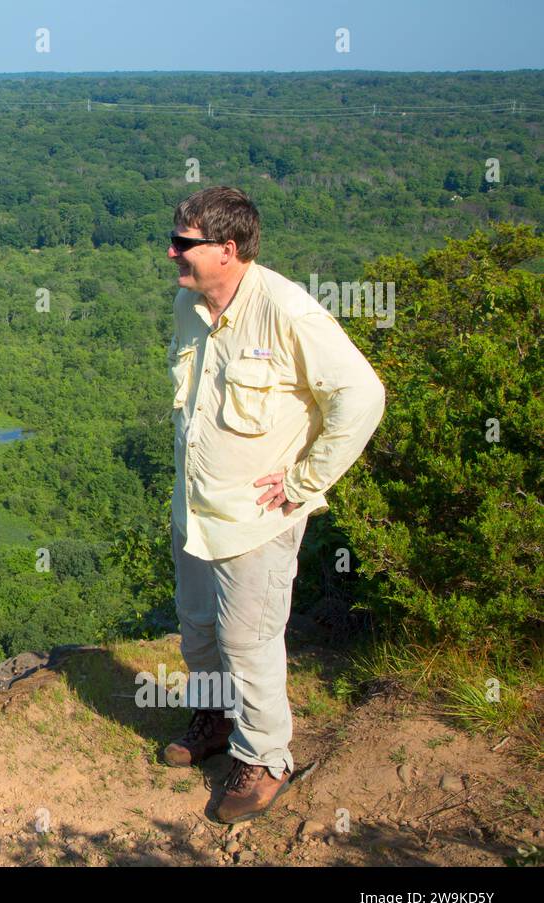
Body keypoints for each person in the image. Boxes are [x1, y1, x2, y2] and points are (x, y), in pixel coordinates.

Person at [163, 186, 386, 823]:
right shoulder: (189, 305)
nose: (171, 252)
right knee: (198, 625)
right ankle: (216, 716)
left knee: (248, 639)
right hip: (198, 509)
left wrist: (304, 481)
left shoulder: (289, 311)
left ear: (227, 250)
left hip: (259, 518)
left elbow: (362, 397)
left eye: (184, 243)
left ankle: (265, 758)